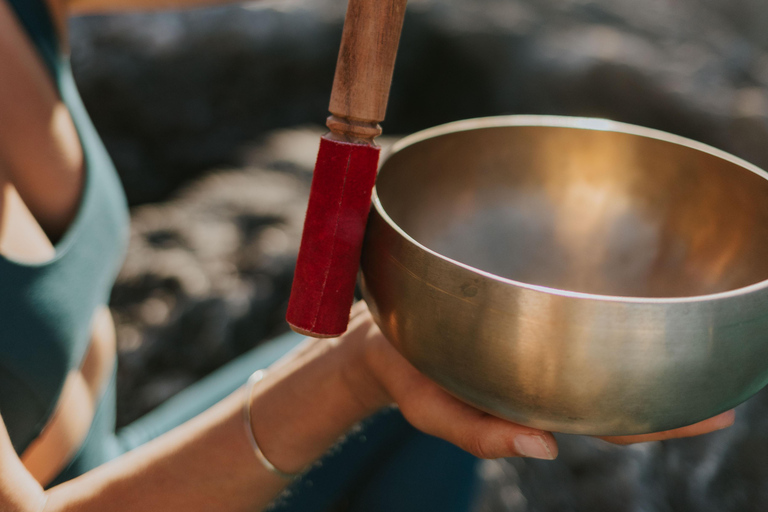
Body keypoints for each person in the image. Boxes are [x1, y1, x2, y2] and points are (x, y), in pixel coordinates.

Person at [0, 0, 736, 511]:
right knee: (404, 370)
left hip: (114, 451)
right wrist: (352, 370)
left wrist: (374, 361)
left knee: (447, 377)